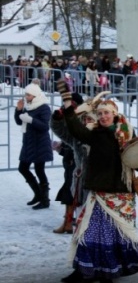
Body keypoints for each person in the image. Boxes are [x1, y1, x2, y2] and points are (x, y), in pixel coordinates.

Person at [56, 82, 138, 283]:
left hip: (121, 194)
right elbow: (76, 130)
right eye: (100, 114)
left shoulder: (128, 134)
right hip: (99, 193)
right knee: (88, 232)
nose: (103, 117)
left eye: (107, 113)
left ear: (115, 114)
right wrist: (68, 105)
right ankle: (90, 271)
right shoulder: (95, 134)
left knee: (125, 235)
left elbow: (136, 162)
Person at [14, 83, 53, 210]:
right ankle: (38, 194)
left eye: (28, 95)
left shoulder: (44, 108)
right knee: (22, 168)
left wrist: (30, 120)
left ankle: (44, 200)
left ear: (35, 95)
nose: (26, 97)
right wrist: (18, 110)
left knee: (39, 170)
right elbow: (20, 121)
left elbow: (45, 126)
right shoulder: (28, 106)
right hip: (29, 142)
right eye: (26, 94)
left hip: (40, 143)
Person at [51, 92, 84, 234]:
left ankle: (70, 222)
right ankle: (68, 222)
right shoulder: (65, 114)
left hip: (75, 162)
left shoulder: (81, 118)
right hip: (69, 160)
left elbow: (77, 141)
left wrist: (66, 153)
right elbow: (65, 135)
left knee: (71, 193)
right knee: (68, 193)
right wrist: (61, 149)